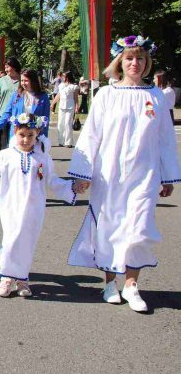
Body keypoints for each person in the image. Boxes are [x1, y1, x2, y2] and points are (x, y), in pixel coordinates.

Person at [69, 35, 180, 312]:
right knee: (110, 227)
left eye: (140, 58)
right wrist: (83, 173)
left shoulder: (156, 96)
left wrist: (167, 177)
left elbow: (165, 139)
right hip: (109, 175)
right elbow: (91, 135)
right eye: (129, 58)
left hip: (145, 174)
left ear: (147, 62)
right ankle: (109, 283)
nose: (135, 63)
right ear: (120, 62)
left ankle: (131, 285)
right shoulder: (107, 94)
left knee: (139, 228)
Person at [0, 113, 79, 297]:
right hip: (11, 205)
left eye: (30, 135)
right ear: (15, 132)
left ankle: (22, 279)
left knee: (27, 242)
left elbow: (53, 180)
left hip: (34, 207)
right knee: (10, 239)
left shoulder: (43, 157)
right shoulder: (6, 155)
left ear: (37, 133)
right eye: (22, 134)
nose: (25, 139)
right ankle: (6, 278)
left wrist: (72, 187)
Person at [0, 66, 49, 149]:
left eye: (26, 81)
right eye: (21, 80)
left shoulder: (43, 97)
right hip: (17, 137)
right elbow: (6, 115)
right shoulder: (16, 95)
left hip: (34, 139)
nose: (23, 83)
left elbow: (45, 120)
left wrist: (43, 140)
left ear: (33, 81)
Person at [51, 71, 80, 147]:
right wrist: (52, 103)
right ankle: (61, 140)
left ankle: (68, 142)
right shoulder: (61, 85)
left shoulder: (74, 86)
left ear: (67, 77)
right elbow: (58, 95)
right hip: (61, 106)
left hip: (70, 106)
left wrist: (77, 106)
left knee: (67, 123)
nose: (62, 77)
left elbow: (76, 97)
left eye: (64, 76)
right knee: (60, 123)